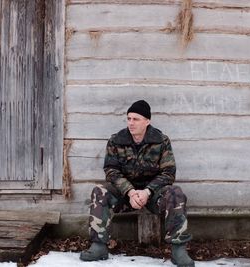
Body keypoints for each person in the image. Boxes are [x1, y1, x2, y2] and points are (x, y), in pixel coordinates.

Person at [80, 100, 195, 267]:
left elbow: (168, 173)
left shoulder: (161, 141)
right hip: (125, 195)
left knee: (176, 193)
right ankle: (99, 246)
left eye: (136, 119)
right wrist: (131, 192)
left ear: (147, 121)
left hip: (153, 195)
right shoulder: (116, 140)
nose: (131, 123)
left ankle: (178, 249)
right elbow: (111, 170)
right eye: (129, 119)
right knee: (99, 191)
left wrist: (147, 192)